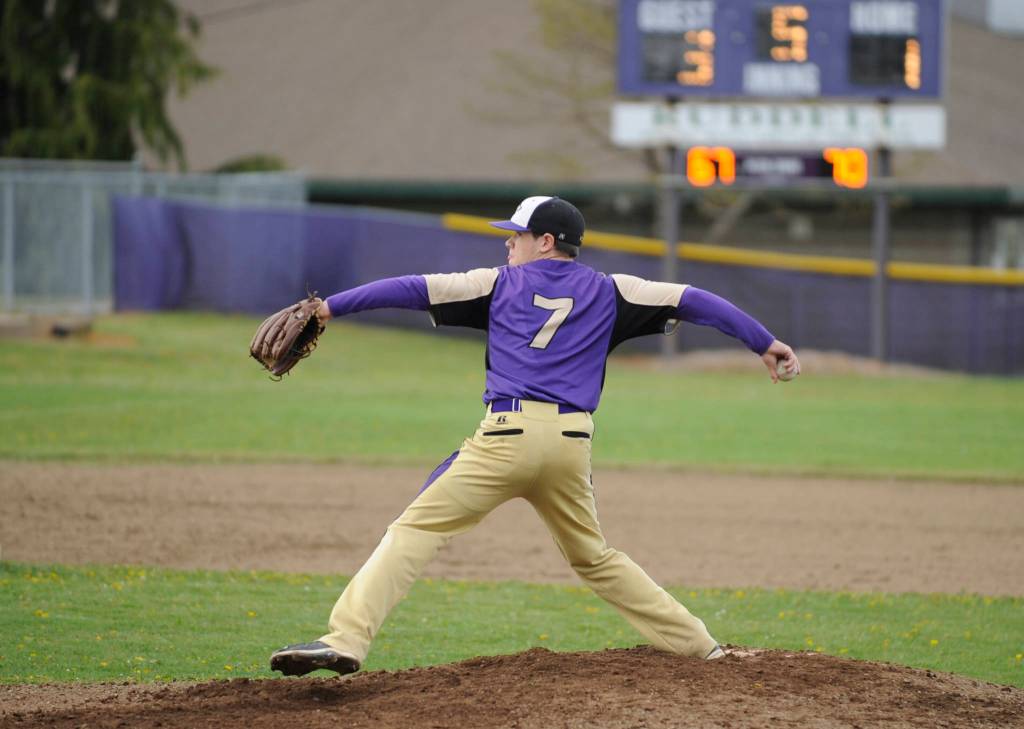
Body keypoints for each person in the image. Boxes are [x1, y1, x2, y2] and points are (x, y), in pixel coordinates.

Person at [270, 196, 800, 677]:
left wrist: (329, 307)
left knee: (415, 530)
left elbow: (410, 288)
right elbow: (695, 299)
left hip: (505, 437)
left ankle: (346, 639)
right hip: (570, 445)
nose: (508, 244)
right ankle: (703, 648)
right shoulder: (616, 290)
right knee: (595, 558)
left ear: (546, 241)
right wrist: (764, 342)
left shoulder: (496, 283)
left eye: (516, 235)